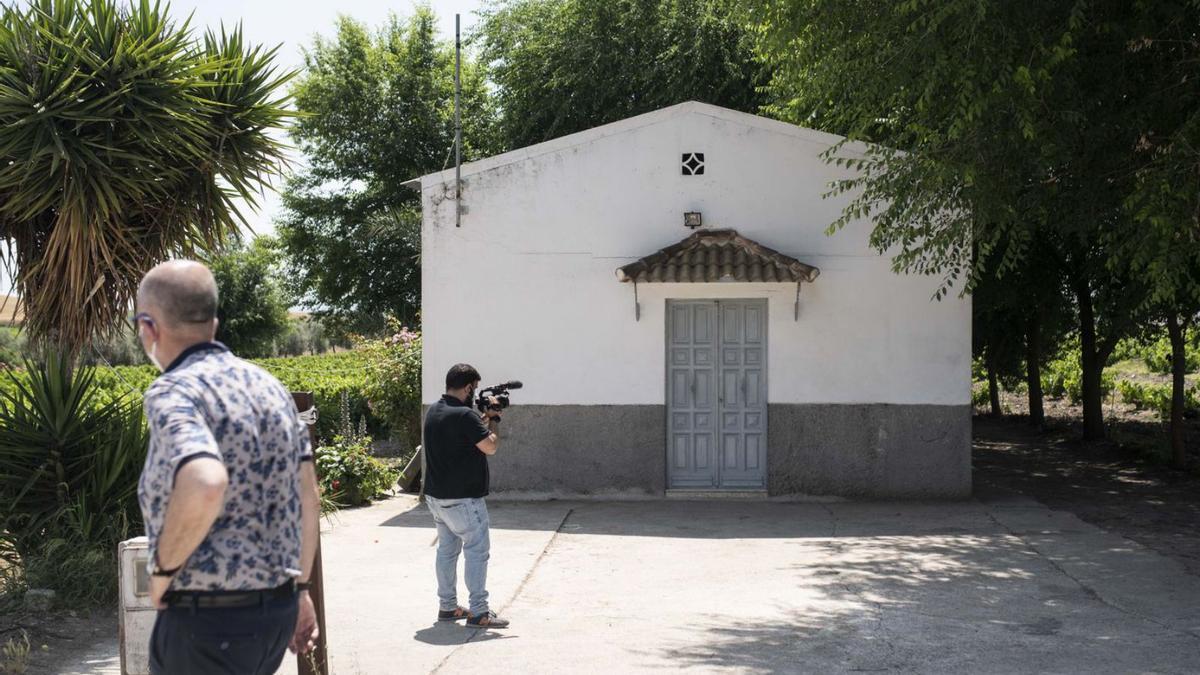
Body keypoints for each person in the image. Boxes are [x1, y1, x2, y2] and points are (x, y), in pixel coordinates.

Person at [134, 260, 321, 674]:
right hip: (274, 612)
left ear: (149, 327)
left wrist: (163, 572)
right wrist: (301, 591)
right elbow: (309, 497)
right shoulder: (269, 388)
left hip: (206, 620)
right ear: (213, 324)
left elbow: (205, 482)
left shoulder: (174, 390)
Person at [423, 363, 509, 629]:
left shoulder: (435, 411)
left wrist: (483, 417)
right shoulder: (465, 416)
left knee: (447, 552)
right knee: (476, 551)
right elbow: (490, 447)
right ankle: (479, 612)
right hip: (463, 500)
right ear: (469, 386)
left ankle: (447, 607)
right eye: (475, 387)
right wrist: (494, 419)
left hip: (437, 499)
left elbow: (465, 434)